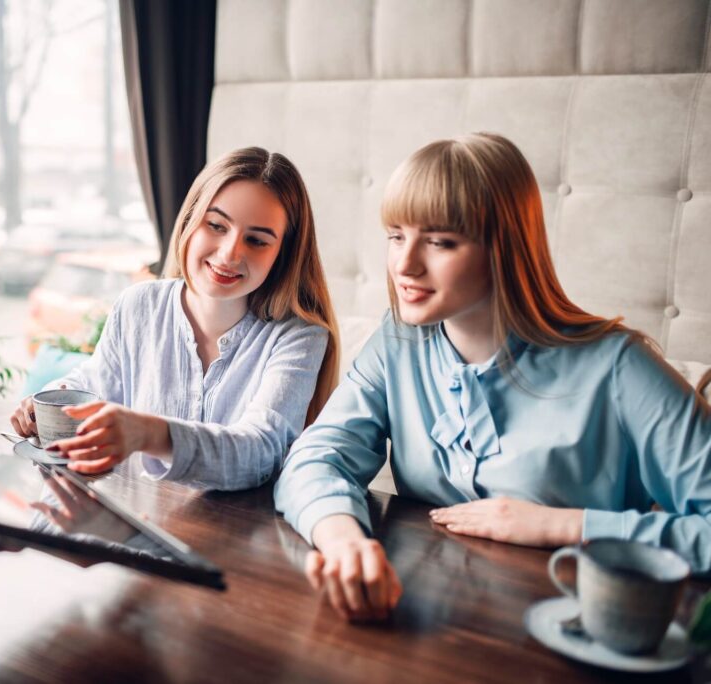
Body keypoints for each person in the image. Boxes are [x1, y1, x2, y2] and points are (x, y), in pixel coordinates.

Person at [274, 132, 711, 621]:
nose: (404, 264)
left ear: (504, 247)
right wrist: (343, 541)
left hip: (579, 635)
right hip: (420, 625)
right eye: (396, 235)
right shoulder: (397, 342)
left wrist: (563, 525)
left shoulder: (619, 365)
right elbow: (315, 459)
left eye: (440, 241)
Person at [10, 147, 340, 490]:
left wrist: (152, 434)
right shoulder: (138, 305)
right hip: (136, 523)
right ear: (190, 222)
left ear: (283, 255)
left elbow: (260, 450)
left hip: (237, 536)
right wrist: (45, 402)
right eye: (216, 225)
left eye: (257, 240)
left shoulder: (300, 337)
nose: (230, 253)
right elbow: (94, 383)